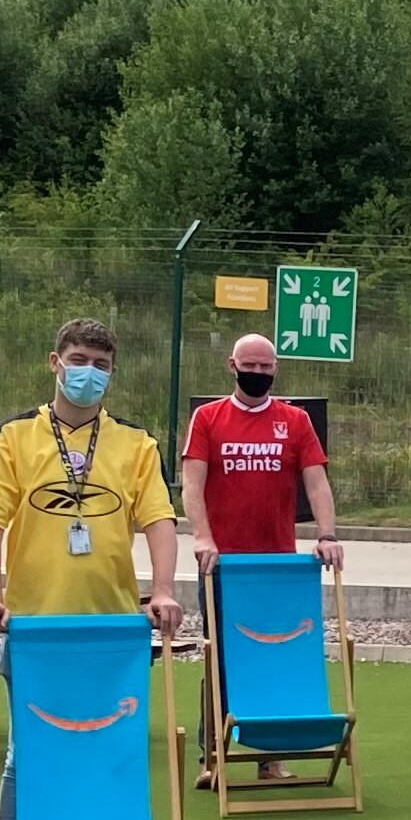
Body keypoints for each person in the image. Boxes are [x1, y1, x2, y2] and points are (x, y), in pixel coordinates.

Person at [0, 318, 180, 820]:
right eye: (80, 359)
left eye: (103, 365)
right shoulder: (15, 437)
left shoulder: (136, 444)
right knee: (26, 753)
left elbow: (160, 521)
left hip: (112, 631)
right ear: (55, 362)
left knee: (113, 749)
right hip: (36, 628)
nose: (90, 373)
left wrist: (162, 590)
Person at [180, 334, 338, 786]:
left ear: (276, 369)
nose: (259, 374)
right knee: (221, 659)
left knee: (274, 655)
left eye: (267, 367)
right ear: (232, 365)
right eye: (251, 365)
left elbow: (316, 482)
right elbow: (192, 485)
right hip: (223, 567)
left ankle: (269, 758)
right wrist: (204, 539)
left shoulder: (295, 420)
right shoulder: (208, 418)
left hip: (277, 567)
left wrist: (326, 535)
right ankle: (212, 756)